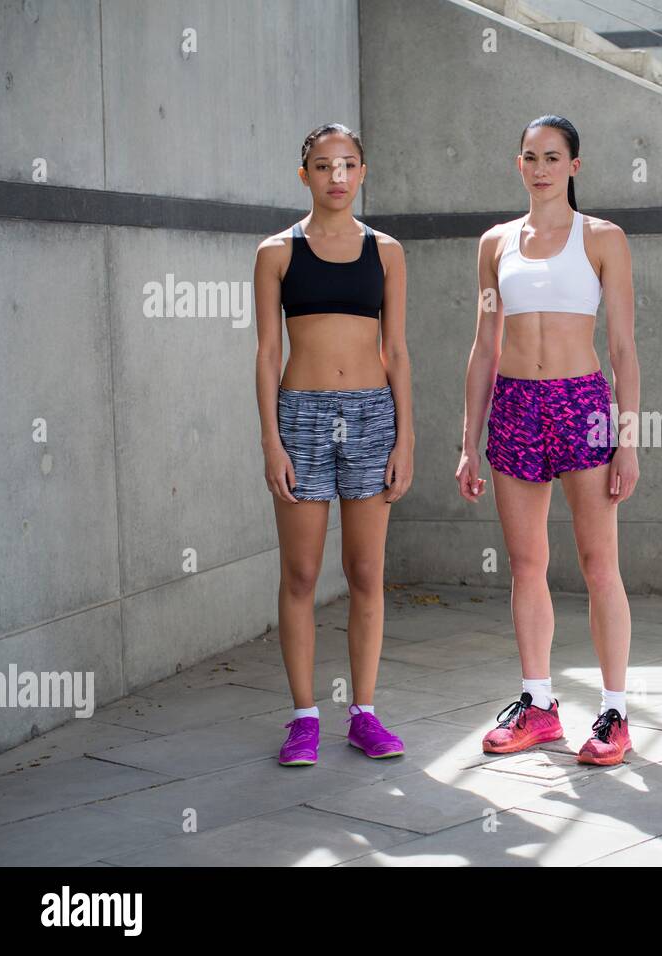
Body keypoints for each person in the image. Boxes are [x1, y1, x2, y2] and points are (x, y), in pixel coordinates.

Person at [456, 115, 641, 766]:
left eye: (552, 156)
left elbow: (622, 347)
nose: (540, 167)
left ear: (573, 167)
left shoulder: (603, 239)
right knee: (526, 563)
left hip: (581, 402)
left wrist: (629, 439)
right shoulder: (495, 243)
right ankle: (538, 705)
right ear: (519, 164)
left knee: (598, 564)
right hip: (514, 404)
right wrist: (466, 442)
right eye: (530, 156)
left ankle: (614, 712)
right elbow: (483, 347)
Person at [253, 122, 414, 766]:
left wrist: (406, 437)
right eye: (323, 166)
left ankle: (365, 713)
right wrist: (271, 437)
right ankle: (303, 717)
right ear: (305, 176)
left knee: (367, 572)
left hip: (373, 415)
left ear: (363, 172)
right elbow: (267, 353)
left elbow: (396, 350)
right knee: (300, 574)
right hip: (302, 416)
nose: (336, 177)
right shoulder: (277, 253)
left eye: (347, 165)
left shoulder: (388, 251)